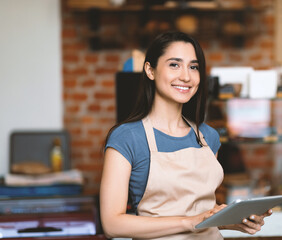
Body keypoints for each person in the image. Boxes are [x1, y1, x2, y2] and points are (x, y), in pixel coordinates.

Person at [100, 31, 272, 239]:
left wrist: (233, 219)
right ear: (150, 70)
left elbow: (200, 213)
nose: (186, 76)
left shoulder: (208, 136)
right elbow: (112, 224)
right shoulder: (127, 138)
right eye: (174, 64)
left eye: (193, 67)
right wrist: (189, 223)